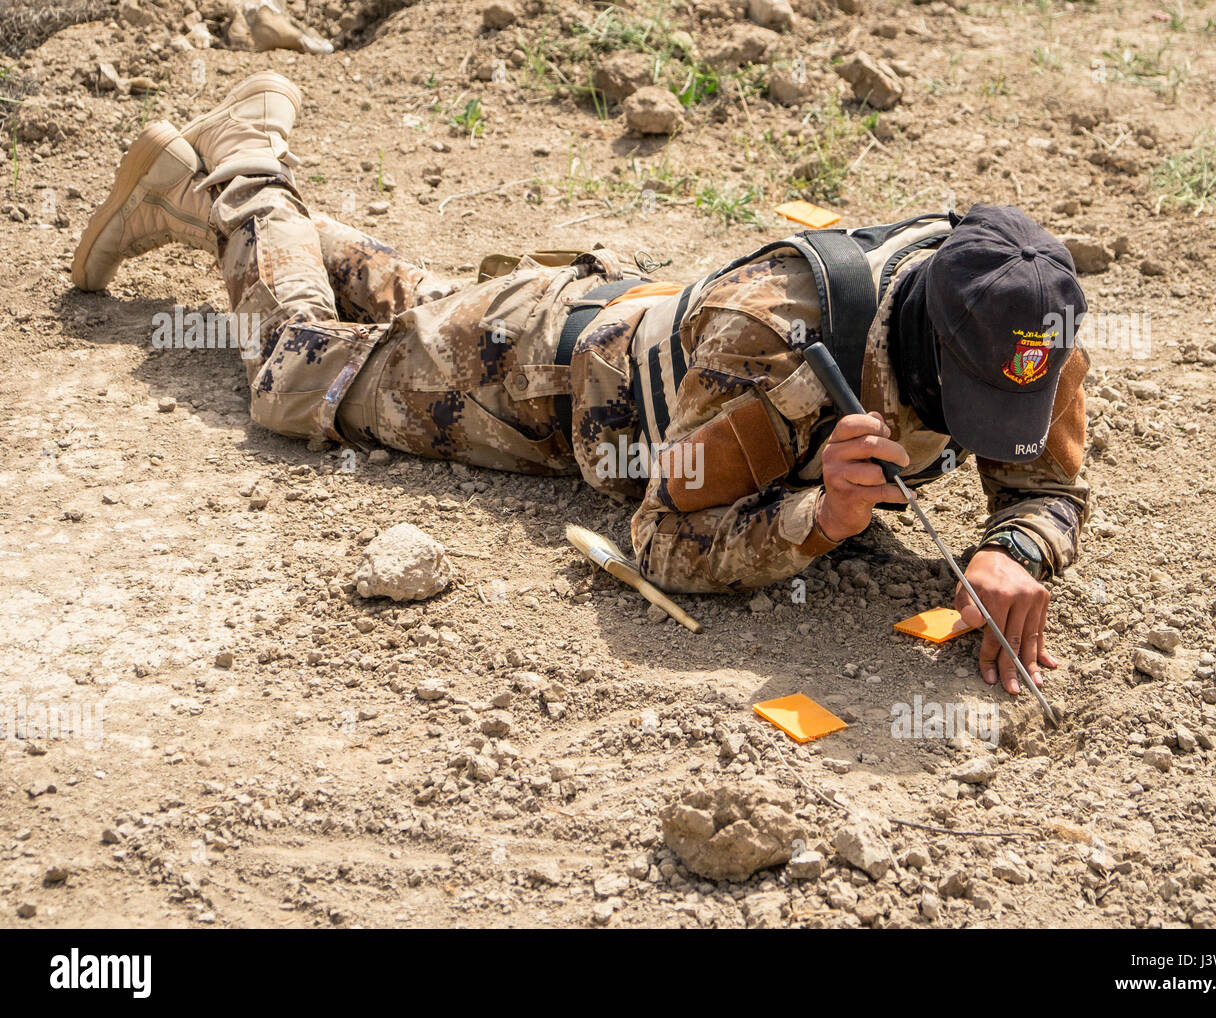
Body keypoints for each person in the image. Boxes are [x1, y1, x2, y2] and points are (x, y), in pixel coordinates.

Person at [73, 72, 1091, 698]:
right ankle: (246, 164)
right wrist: (815, 518)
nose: (993, 434)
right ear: (923, 347)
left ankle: (179, 185)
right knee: (300, 373)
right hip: (536, 381)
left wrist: (1008, 550)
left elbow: (1048, 487)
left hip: (623, 321)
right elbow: (659, 537)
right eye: (968, 410)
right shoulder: (773, 339)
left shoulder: (1021, 316)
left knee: (408, 306)